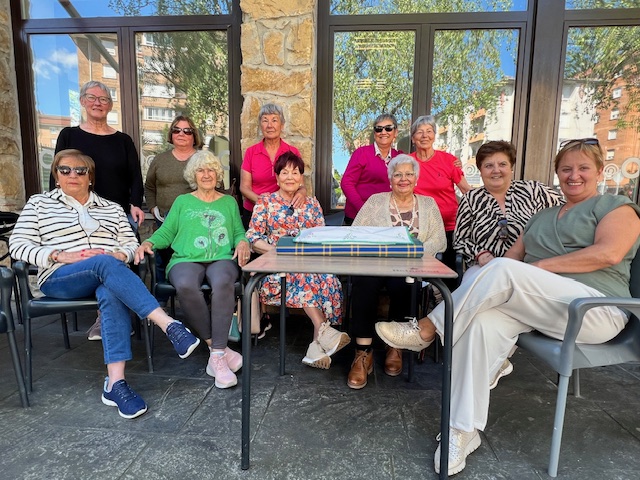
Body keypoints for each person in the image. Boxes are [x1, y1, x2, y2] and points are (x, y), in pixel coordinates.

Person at [374, 138, 640, 476]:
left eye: (583, 168)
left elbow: (609, 253)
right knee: (481, 320)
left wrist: (537, 268)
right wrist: (496, 265)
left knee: (501, 271)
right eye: (566, 169)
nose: (574, 175)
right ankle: (462, 429)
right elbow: (510, 260)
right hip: (542, 306)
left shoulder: (615, 206)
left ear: (600, 171)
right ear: (557, 173)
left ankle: (428, 328)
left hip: (595, 308)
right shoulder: (542, 216)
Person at [10, 149, 200, 419]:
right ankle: (168, 324)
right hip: (61, 277)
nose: (73, 175)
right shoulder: (39, 204)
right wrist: (59, 255)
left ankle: (116, 384)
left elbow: (130, 243)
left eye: (80, 170)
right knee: (104, 263)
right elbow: (18, 245)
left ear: (90, 177)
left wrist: (121, 254)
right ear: (56, 175)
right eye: (65, 170)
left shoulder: (111, 208)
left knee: (111, 289)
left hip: (109, 274)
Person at [135, 151, 250, 389]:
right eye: (200, 170)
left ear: (217, 174)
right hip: (185, 259)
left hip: (221, 258)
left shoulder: (228, 202)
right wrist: (149, 243)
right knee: (186, 284)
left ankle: (217, 355)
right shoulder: (182, 202)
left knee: (223, 282)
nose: (206, 175)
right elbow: (167, 232)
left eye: (211, 170)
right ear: (193, 175)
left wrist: (242, 242)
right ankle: (218, 351)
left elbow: (239, 232)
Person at [54, 80, 145, 341]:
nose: (98, 103)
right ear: (82, 101)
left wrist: (135, 204)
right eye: (92, 98)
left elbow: (135, 175)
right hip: (77, 211)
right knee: (93, 260)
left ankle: (113, 316)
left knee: (123, 258)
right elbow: (58, 174)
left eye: (104, 99)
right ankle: (107, 317)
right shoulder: (69, 135)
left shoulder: (122, 140)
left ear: (110, 105)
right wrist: (58, 207)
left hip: (116, 212)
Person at [347, 154, 446, 389]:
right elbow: (355, 232)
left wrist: (412, 252)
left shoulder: (428, 204)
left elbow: (439, 240)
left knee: (405, 283)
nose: (403, 179)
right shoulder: (375, 201)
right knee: (363, 283)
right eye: (398, 174)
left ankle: (396, 346)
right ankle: (363, 352)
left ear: (416, 178)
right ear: (390, 178)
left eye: (409, 174)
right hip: (375, 263)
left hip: (410, 265)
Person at [246, 151, 349, 369]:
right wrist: (278, 250)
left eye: (295, 172)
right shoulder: (265, 202)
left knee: (329, 278)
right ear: (277, 177)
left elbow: (321, 237)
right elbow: (253, 238)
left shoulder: (311, 203)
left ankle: (316, 347)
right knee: (305, 277)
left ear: (301, 177)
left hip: (309, 264)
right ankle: (324, 331)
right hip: (277, 269)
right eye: (284, 172)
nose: (290, 177)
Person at [455, 140, 564, 278]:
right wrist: (479, 253)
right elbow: (460, 240)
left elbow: (565, 211)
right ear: (480, 170)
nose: (496, 170)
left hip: (530, 266)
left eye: (502, 164)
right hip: (485, 266)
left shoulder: (534, 190)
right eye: (489, 166)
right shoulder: (471, 199)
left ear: (511, 167)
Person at [144, 115, 203, 293]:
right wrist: (152, 207)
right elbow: (149, 186)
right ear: (171, 134)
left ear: (194, 135)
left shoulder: (202, 159)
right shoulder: (160, 160)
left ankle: (196, 296)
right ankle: (162, 300)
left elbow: (216, 187)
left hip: (194, 221)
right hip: (164, 218)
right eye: (177, 130)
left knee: (194, 258)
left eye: (187, 131)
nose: (181, 134)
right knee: (161, 259)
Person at [410, 115, 471, 278]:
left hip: (449, 227)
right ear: (413, 138)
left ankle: (448, 295)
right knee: (420, 273)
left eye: (429, 131)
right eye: (419, 132)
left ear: (434, 136)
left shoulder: (449, 160)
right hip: (420, 229)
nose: (425, 135)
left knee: (449, 273)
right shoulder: (407, 163)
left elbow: (466, 190)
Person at [240, 103, 306, 228]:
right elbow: (244, 187)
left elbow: (301, 185)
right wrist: (265, 203)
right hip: (254, 211)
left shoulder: (292, 152)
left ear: (282, 125)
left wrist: (302, 193)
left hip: (285, 212)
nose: (269, 125)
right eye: (265, 120)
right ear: (260, 125)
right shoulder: (251, 152)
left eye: (274, 120)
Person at [340, 113, 401, 225]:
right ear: (374, 133)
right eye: (379, 129)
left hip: (387, 217)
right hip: (359, 217)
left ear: (395, 132)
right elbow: (346, 183)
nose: (383, 132)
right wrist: (364, 210)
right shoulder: (361, 153)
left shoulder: (399, 157)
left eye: (388, 128)